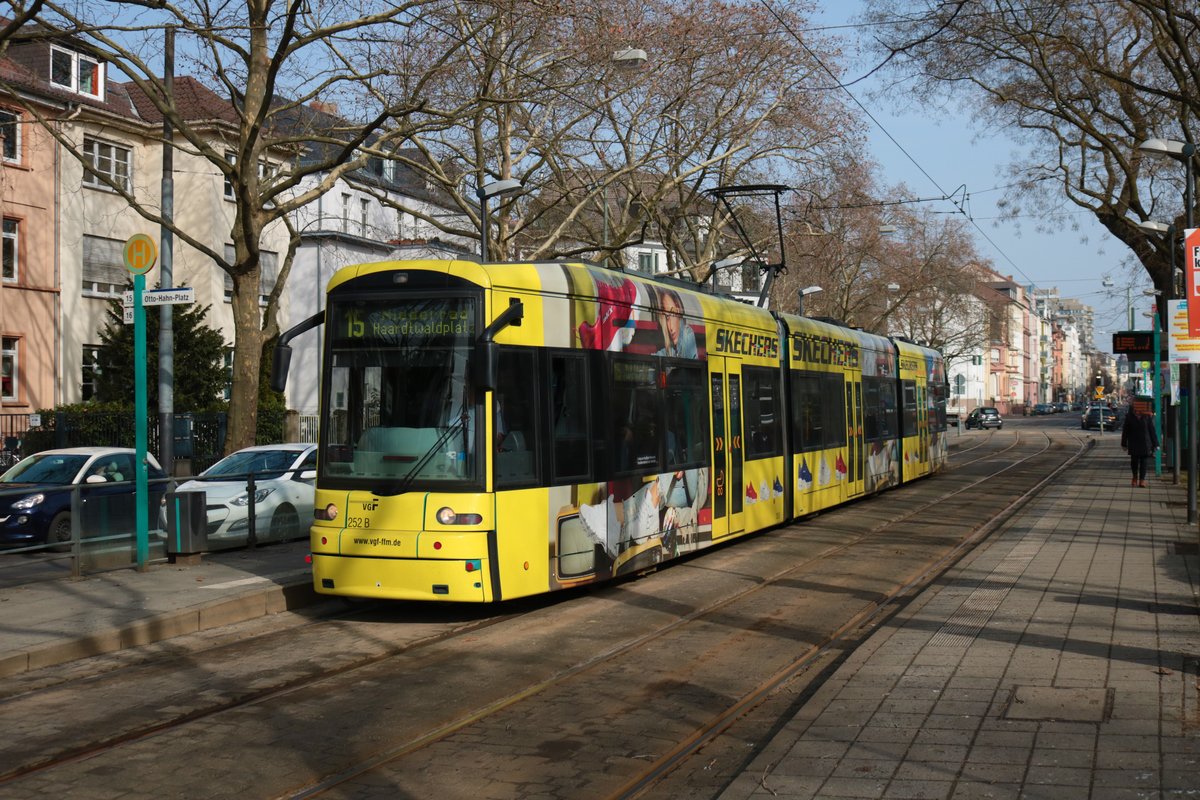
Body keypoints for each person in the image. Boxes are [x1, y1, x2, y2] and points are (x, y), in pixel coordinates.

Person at [1120, 406, 1159, 488]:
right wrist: (1124, 444)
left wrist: (1156, 444)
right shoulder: (1129, 417)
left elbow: (1152, 430)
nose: (1137, 410)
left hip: (1145, 443)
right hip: (1133, 443)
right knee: (1134, 461)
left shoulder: (1146, 417)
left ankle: (1142, 480)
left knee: (1144, 462)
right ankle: (1134, 477)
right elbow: (1125, 431)